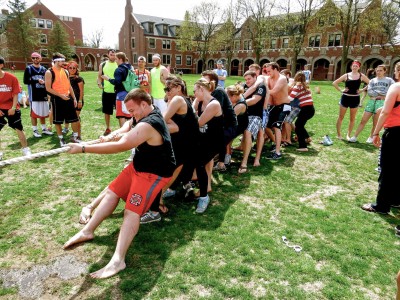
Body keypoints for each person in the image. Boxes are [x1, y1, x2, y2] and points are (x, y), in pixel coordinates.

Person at [63, 88, 176, 279]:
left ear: (144, 104)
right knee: (112, 192)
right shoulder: (146, 112)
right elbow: (128, 126)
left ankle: (118, 260)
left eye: (132, 110)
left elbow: (122, 145)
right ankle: (87, 231)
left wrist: (83, 148)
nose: (130, 115)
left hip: (153, 173)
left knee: (131, 211)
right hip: (138, 166)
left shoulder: (150, 123)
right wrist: (111, 134)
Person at [140, 75, 199, 223]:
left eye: (168, 88)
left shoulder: (178, 99)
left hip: (183, 145)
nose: (166, 92)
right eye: (165, 89)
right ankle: (158, 203)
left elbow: (162, 120)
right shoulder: (184, 100)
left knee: (165, 174)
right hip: (187, 144)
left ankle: (155, 209)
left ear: (179, 87)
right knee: (169, 174)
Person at [361, 77, 400, 214]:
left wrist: (375, 133)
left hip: (395, 133)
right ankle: (396, 200)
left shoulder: (396, 87)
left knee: (387, 169)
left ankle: (382, 206)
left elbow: (385, 112)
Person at [192, 78, 224, 213]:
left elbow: (197, 123)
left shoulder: (214, 104)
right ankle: (176, 187)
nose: (194, 94)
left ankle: (204, 197)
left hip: (214, 142)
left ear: (201, 89)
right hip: (203, 139)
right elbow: (191, 111)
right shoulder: (200, 102)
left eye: (195, 91)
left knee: (199, 164)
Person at [201, 70, 237, 172]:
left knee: (213, 146)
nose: (201, 81)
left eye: (204, 79)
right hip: (221, 124)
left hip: (228, 125)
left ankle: (206, 169)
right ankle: (221, 164)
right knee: (218, 142)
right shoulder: (210, 91)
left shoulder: (218, 91)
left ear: (212, 81)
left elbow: (216, 110)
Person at [349, 65, 395, 143]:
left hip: (382, 103)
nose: (379, 72)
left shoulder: (389, 80)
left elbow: (393, 90)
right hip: (371, 102)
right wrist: (381, 94)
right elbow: (370, 91)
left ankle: (371, 137)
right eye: (377, 70)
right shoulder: (372, 80)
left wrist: (383, 95)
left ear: (384, 71)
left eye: (381, 70)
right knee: (363, 120)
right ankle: (355, 136)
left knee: (376, 122)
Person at [44, 53, 81, 146]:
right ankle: (61, 139)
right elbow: (48, 88)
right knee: (58, 121)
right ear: (56, 61)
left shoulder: (65, 71)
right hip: (57, 99)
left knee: (75, 119)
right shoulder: (49, 72)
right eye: (62, 61)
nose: (64, 63)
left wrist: (74, 98)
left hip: (68, 97)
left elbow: (69, 86)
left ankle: (75, 137)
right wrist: (60, 95)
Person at [0, 56, 31, 157]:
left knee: (18, 128)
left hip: (12, 106)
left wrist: (13, 107)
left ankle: (25, 149)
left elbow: (15, 94)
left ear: (1, 65)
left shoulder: (11, 78)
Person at [332, 60, 370, 140]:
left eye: (356, 66)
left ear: (359, 67)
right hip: (345, 97)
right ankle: (339, 135)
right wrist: (341, 90)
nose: (355, 67)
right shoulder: (346, 75)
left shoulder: (361, 76)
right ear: (351, 66)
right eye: (353, 65)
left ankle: (348, 135)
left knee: (352, 118)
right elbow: (334, 83)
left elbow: (371, 83)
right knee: (341, 117)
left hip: (355, 98)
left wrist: (362, 90)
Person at [238, 70, 267, 173]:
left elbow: (254, 100)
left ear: (255, 77)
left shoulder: (261, 87)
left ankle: (245, 162)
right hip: (243, 114)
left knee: (248, 131)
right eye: (246, 79)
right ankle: (224, 157)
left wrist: (239, 104)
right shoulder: (244, 86)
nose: (247, 81)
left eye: (249, 79)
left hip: (256, 116)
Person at [23, 52, 53, 138]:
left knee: (43, 112)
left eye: (37, 58)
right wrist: (36, 81)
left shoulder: (44, 69)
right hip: (34, 94)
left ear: (40, 58)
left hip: (43, 93)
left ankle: (44, 129)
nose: (35, 59)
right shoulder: (29, 68)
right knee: (34, 113)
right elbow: (26, 81)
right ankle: (35, 130)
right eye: (33, 58)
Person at [265, 62, 291, 160]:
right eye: (266, 71)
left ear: (275, 69)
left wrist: (262, 90)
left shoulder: (282, 78)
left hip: (285, 106)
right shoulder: (268, 79)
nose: (268, 73)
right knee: (266, 126)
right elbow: (269, 94)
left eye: (269, 71)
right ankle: (276, 143)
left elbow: (274, 91)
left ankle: (277, 152)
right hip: (274, 106)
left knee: (277, 126)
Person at [101, 52, 133, 127]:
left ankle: (123, 134)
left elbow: (117, 82)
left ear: (120, 59)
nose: (115, 61)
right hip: (130, 93)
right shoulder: (129, 67)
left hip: (121, 94)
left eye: (116, 59)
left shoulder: (119, 70)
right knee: (129, 115)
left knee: (121, 115)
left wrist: (108, 79)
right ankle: (130, 132)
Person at [289, 72, 315, 152]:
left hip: (306, 108)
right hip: (311, 108)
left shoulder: (297, 86)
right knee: (300, 125)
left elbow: (290, 98)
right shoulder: (305, 86)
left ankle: (303, 146)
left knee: (298, 126)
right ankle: (307, 138)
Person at [97, 49, 117, 136]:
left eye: (114, 54)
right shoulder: (103, 64)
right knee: (107, 111)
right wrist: (99, 83)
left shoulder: (118, 63)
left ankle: (124, 128)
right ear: (108, 55)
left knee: (122, 112)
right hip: (107, 91)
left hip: (118, 91)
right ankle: (108, 128)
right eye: (111, 54)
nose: (113, 56)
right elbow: (99, 76)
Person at [63, 61, 85, 138]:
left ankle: (78, 134)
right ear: (67, 68)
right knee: (72, 118)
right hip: (69, 101)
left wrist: (80, 101)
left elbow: (82, 91)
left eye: (74, 68)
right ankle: (73, 132)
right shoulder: (66, 78)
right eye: (70, 68)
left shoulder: (78, 78)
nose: (72, 69)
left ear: (76, 69)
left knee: (76, 118)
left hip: (77, 101)